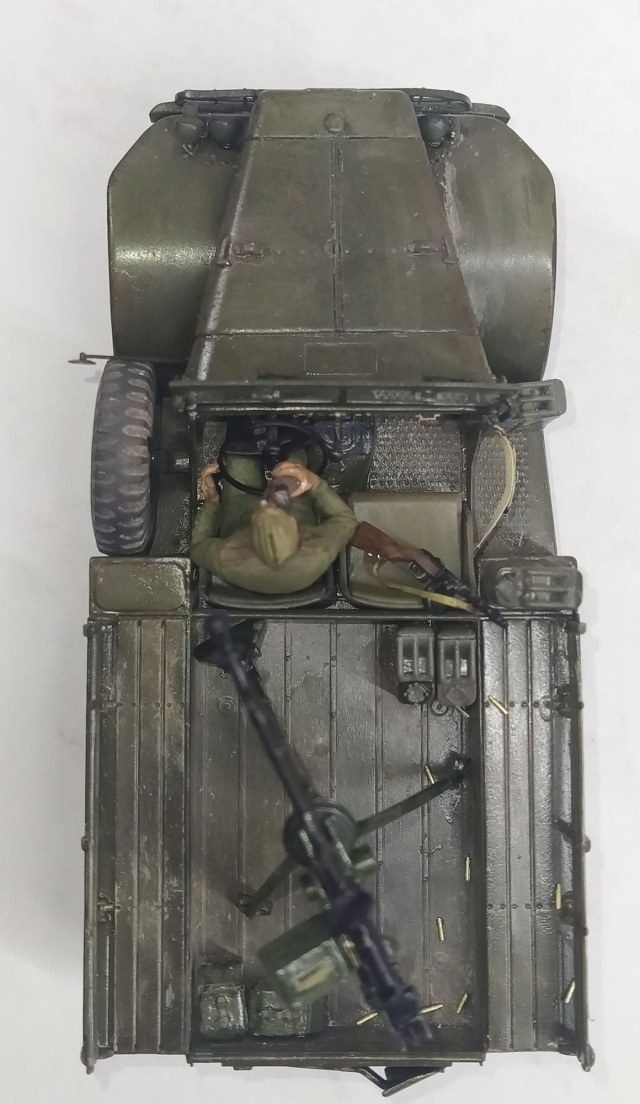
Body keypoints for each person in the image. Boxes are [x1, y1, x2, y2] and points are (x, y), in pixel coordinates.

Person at [190, 453, 357, 595]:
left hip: (240, 512)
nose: (268, 501)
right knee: (294, 463)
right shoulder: (319, 552)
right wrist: (315, 484)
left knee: (238, 455)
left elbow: (197, 547)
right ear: (296, 531)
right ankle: (295, 443)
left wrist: (212, 502)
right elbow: (347, 520)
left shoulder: (226, 557)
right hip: (296, 506)